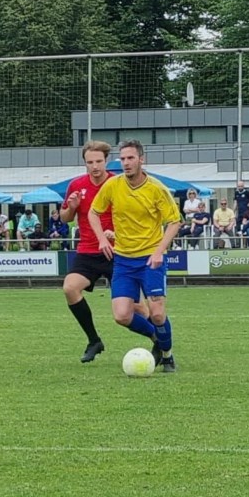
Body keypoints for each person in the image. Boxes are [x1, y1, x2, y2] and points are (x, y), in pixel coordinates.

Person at [89, 139, 182, 373]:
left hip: (150, 259)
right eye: (122, 159)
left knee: (158, 313)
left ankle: (168, 356)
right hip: (123, 259)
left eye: (131, 158)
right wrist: (101, 238)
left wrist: (160, 251)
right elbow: (93, 212)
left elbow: (174, 221)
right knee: (121, 315)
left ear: (142, 159)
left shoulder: (157, 188)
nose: (126, 163)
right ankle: (156, 339)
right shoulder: (113, 185)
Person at [61, 140, 150, 363]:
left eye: (99, 161)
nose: (94, 166)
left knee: (137, 307)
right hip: (88, 251)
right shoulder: (76, 185)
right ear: (85, 163)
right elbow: (65, 218)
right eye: (90, 162)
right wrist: (71, 207)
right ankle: (94, 340)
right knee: (70, 288)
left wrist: (114, 233)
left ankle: (160, 339)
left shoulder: (119, 183)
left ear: (107, 161)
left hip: (118, 251)